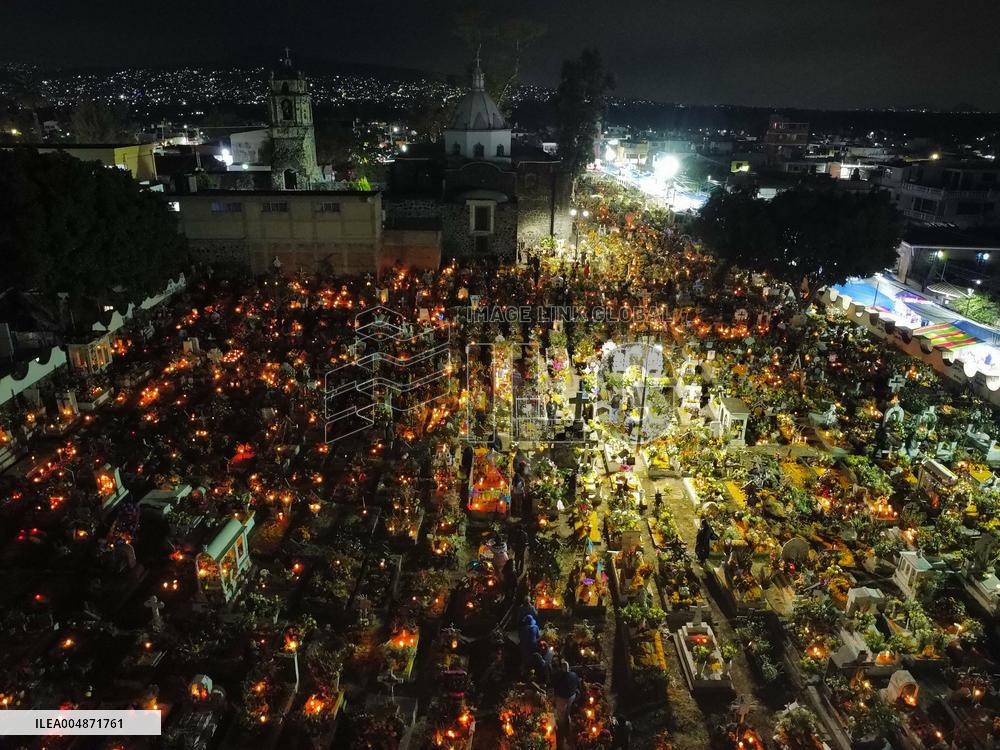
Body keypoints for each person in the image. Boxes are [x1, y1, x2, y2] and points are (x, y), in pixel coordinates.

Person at [553, 659, 580, 729]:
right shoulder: (574, 674)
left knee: (561, 715)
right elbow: (578, 684)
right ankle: (568, 724)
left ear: (562, 668)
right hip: (572, 696)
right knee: (568, 711)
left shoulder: (559, 676)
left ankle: (562, 729)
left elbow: (556, 687)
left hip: (562, 698)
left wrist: (555, 697)